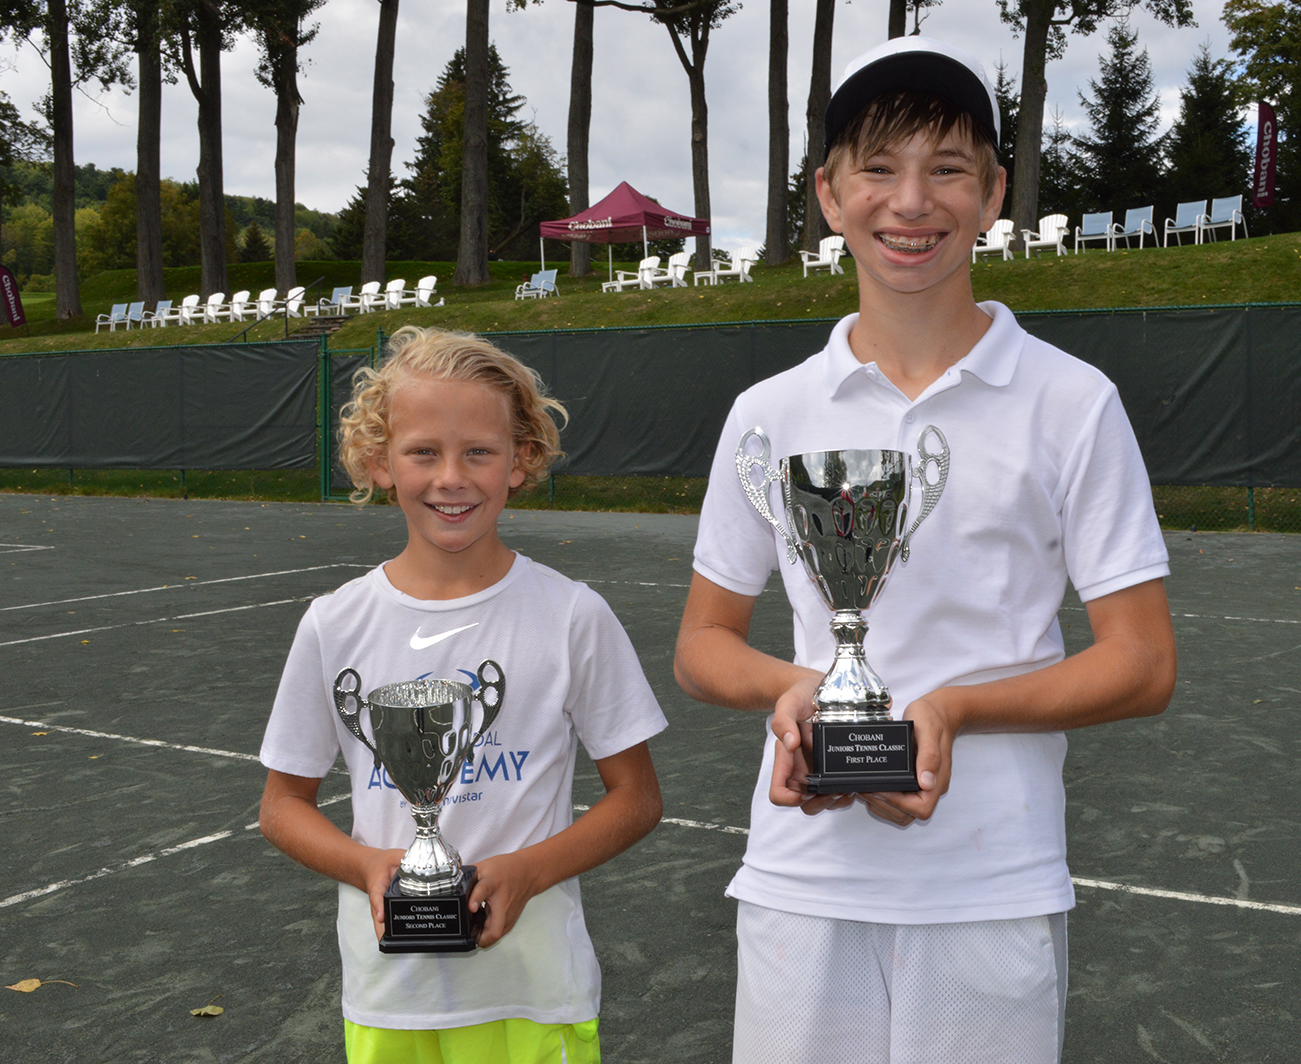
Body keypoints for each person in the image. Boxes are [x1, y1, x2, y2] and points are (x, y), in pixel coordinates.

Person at [673, 36, 1177, 1064]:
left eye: (947, 168)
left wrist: (951, 709)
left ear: (993, 193)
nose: (912, 201)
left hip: (990, 879)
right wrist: (804, 688)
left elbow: (1142, 660)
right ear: (827, 192)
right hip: (801, 877)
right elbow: (702, 643)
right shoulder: (767, 412)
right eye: (878, 167)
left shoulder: (1072, 401)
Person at [259, 326, 666, 1064]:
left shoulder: (572, 614)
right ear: (380, 463)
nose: (452, 477)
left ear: (522, 460)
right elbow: (281, 805)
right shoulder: (335, 623)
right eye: (423, 452)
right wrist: (369, 866)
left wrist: (530, 871)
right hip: (391, 998)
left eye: (479, 451)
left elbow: (636, 798)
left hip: (536, 994)